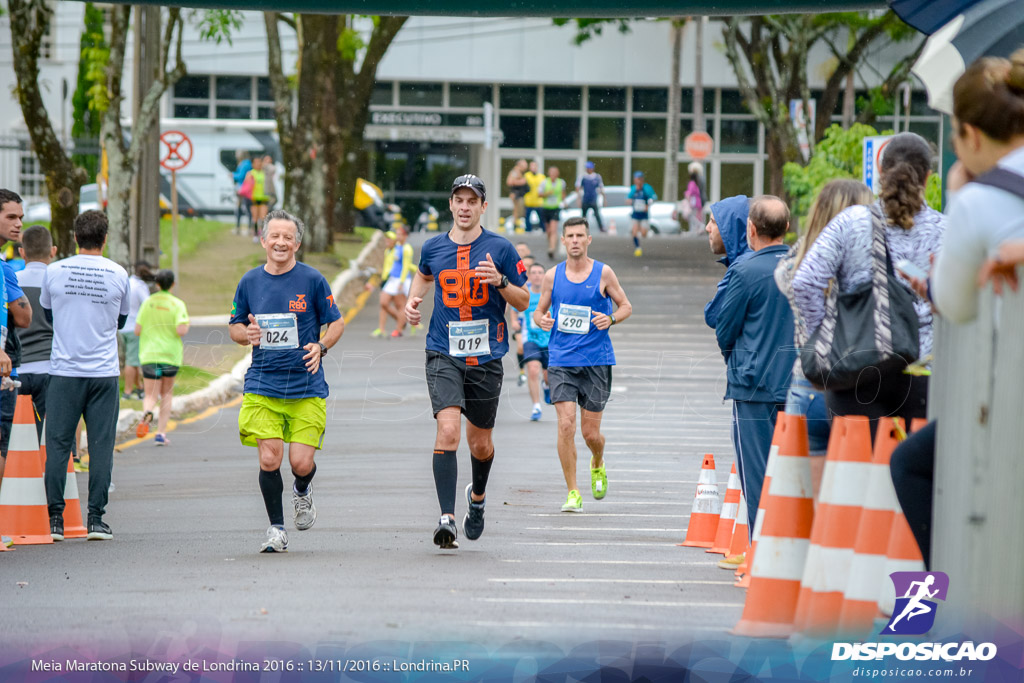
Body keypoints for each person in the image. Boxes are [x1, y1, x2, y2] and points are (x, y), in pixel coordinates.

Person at [890, 50, 1024, 569]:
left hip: (1008, 395)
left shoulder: (977, 199)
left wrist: (959, 192)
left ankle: (945, 600)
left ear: (970, 135)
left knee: (912, 465)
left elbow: (956, 303)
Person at [792, 132, 946, 437]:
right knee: (915, 474)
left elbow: (806, 281)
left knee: (858, 475)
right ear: (927, 177)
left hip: (857, 369)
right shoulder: (947, 230)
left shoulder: (851, 222)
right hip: (925, 374)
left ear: (881, 172)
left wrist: (822, 336)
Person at [404, 174, 529, 549]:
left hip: (487, 356)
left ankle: (477, 497)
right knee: (448, 431)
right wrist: (413, 302)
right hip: (443, 350)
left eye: (471, 201)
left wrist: (501, 282)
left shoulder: (501, 248)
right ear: (450, 205)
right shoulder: (433, 247)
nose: (464, 207)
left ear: (483, 208)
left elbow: (524, 300)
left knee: (480, 444)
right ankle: (447, 518)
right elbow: (424, 277)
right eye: (458, 200)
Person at [229, 209, 345, 553]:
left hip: (306, 386)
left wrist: (321, 346)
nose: (281, 242)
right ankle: (276, 529)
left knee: (300, 463)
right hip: (263, 383)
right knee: (269, 459)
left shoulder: (312, 280)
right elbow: (235, 325)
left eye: (287, 237)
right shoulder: (249, 281)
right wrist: (246, 333)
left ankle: (301, 489)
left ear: (297, 242)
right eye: (274, 236)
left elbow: (336, 323)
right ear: (263, 240)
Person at [774, 179, 873, 491]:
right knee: (857, 506)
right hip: (863, 384)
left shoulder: (795, 266)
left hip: (808, 383)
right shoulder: (866, 269)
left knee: (806, 509)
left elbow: (787, 273)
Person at [41, 210, 130, 542]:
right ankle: (95, 519)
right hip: (104, 373)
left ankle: (55, 520)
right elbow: (120, 321)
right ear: (105, 239)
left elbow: (49, 313)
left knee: (59, 445)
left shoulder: (55, 271)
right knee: (102, 445)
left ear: (75, 237)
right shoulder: (118, 273)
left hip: (64, 371)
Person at [533, 216, 632, 512]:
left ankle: (598, 460)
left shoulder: (604, 273)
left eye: (580, 235)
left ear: (588, 240)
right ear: (562, 241)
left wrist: (611, 318)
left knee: (590, 434)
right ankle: (573, 492)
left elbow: (626, 306)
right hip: (562, 360)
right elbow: (538, 313)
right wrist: (543, 320)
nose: (575, 240)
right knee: (566, 426)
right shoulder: (552, 276)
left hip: (596, 361)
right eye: (570, 236)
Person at [715, 196, 795, 534]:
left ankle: (761, 550)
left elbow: (724, 326)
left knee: (757, 473)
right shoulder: (805, 263)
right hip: (798, 383)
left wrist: (734, 357)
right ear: (787, 228)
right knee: (795, 472)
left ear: (750, 228)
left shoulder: (745, 270)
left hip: (753, 386)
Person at [134, 269, 190, 446]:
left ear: (157, 284)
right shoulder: (177, 304)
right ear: (172, 284)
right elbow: (181, 330)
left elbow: (137, 330)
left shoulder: (148, 303)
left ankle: (147, 412)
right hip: (170, 355)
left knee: (150, 395)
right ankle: (161, 433)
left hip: (150, 355)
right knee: (166, 394)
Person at [0, 189, 32, 486]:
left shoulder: (4, 267)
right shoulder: (5, 270)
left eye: (20, 217)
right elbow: (24, 317)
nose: (18, 224)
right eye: (11, 217)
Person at [15, 225, 58, 442]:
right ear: (53, 251)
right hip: (49, 368)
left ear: (22, 252)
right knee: (48, 437)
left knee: (16, 440)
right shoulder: (59, 283)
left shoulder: (11, 281)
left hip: (16, 370)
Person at [703, 195, 751, 329]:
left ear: (731, 228)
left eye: (713, 221)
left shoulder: (742, 267)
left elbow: (713, 316)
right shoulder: (782, 258)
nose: (707, 228)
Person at [372, 227, 416, 338]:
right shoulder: (395, 247)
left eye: (400, 234)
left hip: (401, 279)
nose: (398, 236)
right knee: (383, 302)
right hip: (392, 279)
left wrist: (401, 282)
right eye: (397, 234)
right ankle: (402, 321)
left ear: (405, 236)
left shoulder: (407, 248)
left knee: (400, 305)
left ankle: (399, 330)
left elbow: (406, 265)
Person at [521, 262, 552, 421]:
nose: (537, 275)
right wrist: (515, 326)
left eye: (541, 272)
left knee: (548, 375)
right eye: (534, 272)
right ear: (529, 275)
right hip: (531, 338)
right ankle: (536, 406)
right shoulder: (525, 294)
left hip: (549, 339)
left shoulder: (551, 294)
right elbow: (514, 311)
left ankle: (546, 386)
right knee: (533, 369)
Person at [120, 261, 153, 400]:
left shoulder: (127, 282)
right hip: (135, 328)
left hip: (123, 327)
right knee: (132, 362)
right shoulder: (140, 287)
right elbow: (148, 305)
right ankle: (127, 392)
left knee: (131, 358)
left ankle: (139, 388)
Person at [627, 171, 657, 257]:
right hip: (635, 214)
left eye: (638, 179)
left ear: (642, 179)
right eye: (635, 179)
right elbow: (628, 199)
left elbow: (653, 198)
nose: (637, 181)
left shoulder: (647, 188)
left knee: (643, 234)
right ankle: (638, 248)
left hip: (644, 215)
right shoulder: (633, 188)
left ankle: (644, 230)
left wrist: (648, 205)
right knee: (634, 232)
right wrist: (632, 201)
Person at [539, 166, 565, 259]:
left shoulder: (561, 182)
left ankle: (552, 248)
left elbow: (562, 193)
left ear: (557, 174)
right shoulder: (544, 182)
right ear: (549, 173)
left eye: (555, 172)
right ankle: (551, 243)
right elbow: (539, 194)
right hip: (546, 208)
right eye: (551, 172)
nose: (553, 174)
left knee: (553, 230)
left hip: (555, 208)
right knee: (548, 231)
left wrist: (564, 202)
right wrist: (547, 194)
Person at [575, 161, 605, 233]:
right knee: (584, 215)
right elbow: (578, 188)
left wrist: (604, 199)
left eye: (589, 168)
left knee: (597, 214)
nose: (588, 169)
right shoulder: (583, 177)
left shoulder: (597, 177)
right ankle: (582, 228)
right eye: (587, 168)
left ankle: (601, 227)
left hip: (593, 199)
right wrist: (578, 199)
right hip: (585, 199)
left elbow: (601, 188)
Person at [246, 156, 270, 243]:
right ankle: (255, 234)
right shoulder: (250, 173)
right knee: (255, 218)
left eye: (259, 162)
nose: (258, 164)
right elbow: (246, 186)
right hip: (254, 198)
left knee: (263, 218)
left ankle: (263, 235)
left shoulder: (265, 172)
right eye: (256, 162)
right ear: (252, 164)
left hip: (264, 198)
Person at [682, 162, 707, 233]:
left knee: (692, 216)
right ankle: (696, 229)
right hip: (698, 201)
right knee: (696, 215)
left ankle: (697, 227)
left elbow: (690, 193)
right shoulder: (699, 180)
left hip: (695, 202)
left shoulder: (693, 182)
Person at [233, 150, 252, 233]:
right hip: (248, 189)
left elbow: (241, 176)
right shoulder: (249, 164)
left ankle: (238, 227)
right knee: (248, 207)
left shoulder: (244, 164)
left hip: (242, 188)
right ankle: (249, 227)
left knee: (239, 207)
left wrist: (233, 175)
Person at [507, 159, 529, 232]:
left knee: (519, 211)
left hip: (520, 194)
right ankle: (515, 226)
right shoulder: (515, 172)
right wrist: (521, 182)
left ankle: (517, 226)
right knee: (516, 212)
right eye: (524, 166)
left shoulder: (520, 172)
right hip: (516, 194)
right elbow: (509, 182)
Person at [523, 161, 545, 233]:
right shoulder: (526, 176)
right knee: (527, 218)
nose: (533, 168)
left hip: (538, 201)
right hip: (529, 201)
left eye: (535, 166)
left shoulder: (542, 177)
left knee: (542, 218)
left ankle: (543, 230)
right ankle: (528, 231)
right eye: (532, 166)